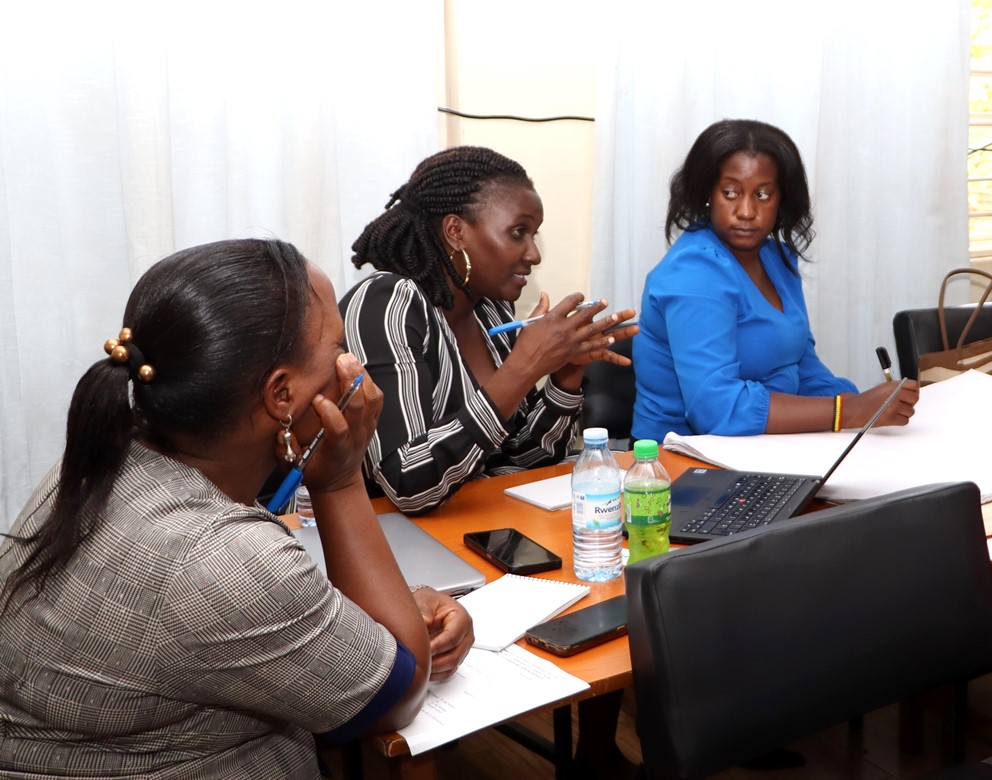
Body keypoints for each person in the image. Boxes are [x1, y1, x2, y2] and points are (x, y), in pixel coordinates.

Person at [0, 240, 473, 779]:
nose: (354, 367)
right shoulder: (220, 559)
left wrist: (392, 607)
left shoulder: (102, 462)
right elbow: (398, 692)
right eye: (340, 346)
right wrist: (340, 481)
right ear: (282, 394)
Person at [344, 146, 637, 514]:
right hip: (398, 543)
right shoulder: (386, 303)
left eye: (534, 235)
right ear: (456, 232)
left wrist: (566, 373)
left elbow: (521, 458)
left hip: (475, 522)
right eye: (518, 232)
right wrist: (524, 367)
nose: (534, 254)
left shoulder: (491, 309)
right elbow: (407, 485)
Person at [631, 119, 917, 440]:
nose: (747, 211)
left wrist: (858, 404)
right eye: (730, 193)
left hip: (765, 445)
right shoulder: (694, 272)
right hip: (679, 460)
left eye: (763, 195)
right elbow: (716, 410)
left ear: (782, 200)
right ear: (707, 193)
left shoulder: (776, 258)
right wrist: (846, 412)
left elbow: (802, 366)